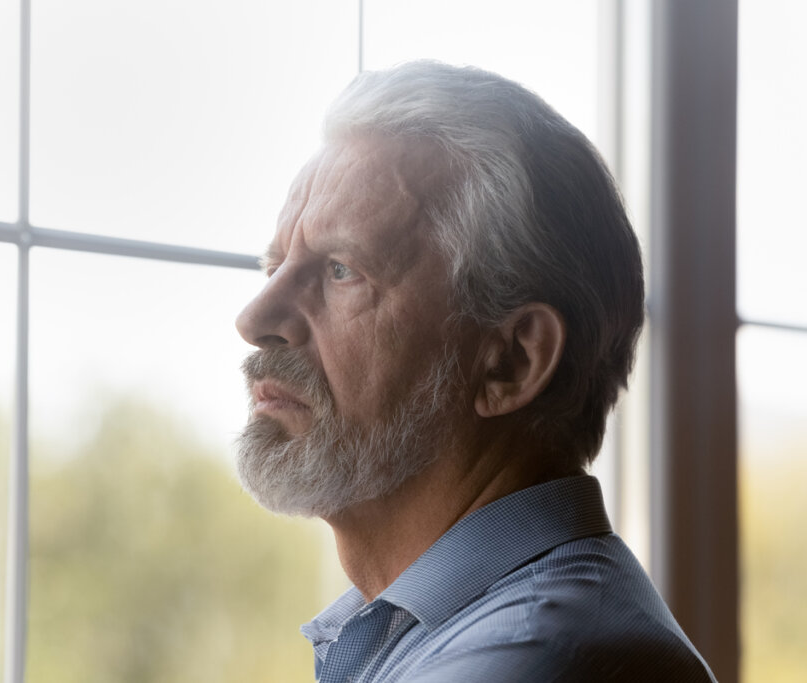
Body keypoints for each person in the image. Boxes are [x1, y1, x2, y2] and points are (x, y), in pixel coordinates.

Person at [233, 61, 716, 682]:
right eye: (275, 266)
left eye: (341, 271)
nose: (255, 319)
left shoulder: (531, 659)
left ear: (512, 361)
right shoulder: (444, 631)